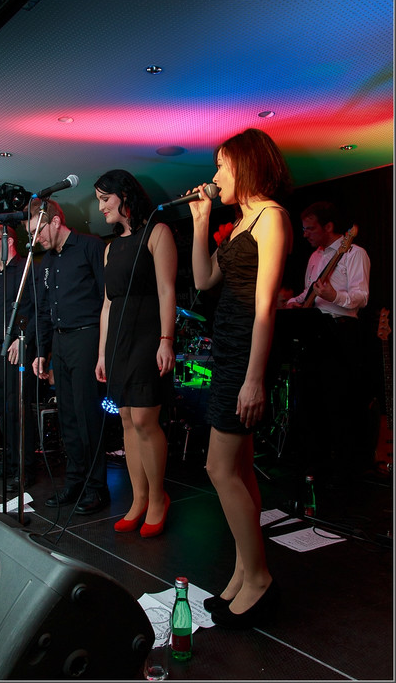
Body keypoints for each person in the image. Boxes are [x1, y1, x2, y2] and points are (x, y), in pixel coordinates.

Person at [188, 128, 293, 628]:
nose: (215, 176)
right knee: (241, 469)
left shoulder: (271, 217)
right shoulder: (239, 222)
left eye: (222, 166)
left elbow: (265, 307)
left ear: (245, 166)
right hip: (227, 349)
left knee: (219, 468)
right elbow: (203, 280)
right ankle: (243, 570)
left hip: (244, 359)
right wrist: (201, 221)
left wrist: (254, 379)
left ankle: (259, 578)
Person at [94, 169, 177, 537]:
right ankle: (139, 498)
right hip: (118, 338)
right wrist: (101, 354)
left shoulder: (157, 233)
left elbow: (166, 290)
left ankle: (158, 498)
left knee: (144, 418)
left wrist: (166, 340)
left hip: (147, 333)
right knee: (126, 418)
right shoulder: (111, 247)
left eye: (104, 199)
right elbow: (107, 305)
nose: (100, 207)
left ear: (124, 196)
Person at [28, 198, 109, 514]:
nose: (36, 239)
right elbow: (44, 311)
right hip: (60, 342)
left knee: (87, 414)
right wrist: (42, 352)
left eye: (38, 231)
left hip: (87, 336)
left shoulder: (91, 246)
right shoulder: (47, 261)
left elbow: (107, 299)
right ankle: (75, 482)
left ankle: (96, 487)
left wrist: (103, 349)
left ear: (56, 221)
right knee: (68, 416)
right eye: (31, 234)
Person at [283, 200, 371, 478]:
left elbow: (362, 297)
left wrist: (334, 296)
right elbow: (308, 292)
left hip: (342, 331)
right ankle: (315, 461)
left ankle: (346, 466)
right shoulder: (314, 257)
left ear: (329, 226)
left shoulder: (354, 253)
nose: (305, 234)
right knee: (312, 398)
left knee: (340, 399)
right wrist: (292, 303)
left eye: (310, 228)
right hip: (315, 330)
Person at [0, 224, 37, 490]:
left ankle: (24, 469)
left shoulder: (27, 270)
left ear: (9, 241)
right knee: (3, 411)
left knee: (18, 411)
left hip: (17, 350)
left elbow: (36, 309)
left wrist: (21, 337)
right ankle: (10, 463)